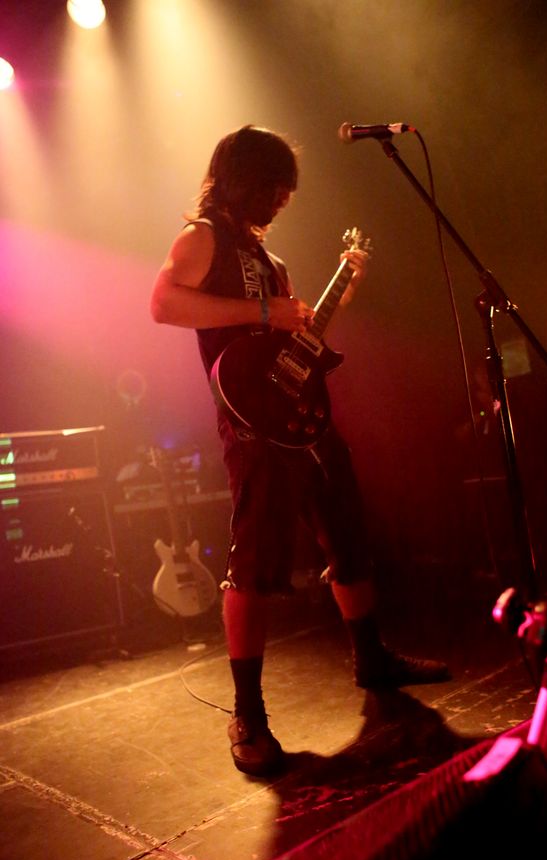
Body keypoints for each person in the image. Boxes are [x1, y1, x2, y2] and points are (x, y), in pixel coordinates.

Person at [151, 125, 449, 777]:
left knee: (348, 534)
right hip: (252, 424)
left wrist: (333, 298)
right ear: (246, 179)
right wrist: (265, 313)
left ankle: (371, 659)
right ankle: (248, 715)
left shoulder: (271, 259)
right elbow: (164, 303)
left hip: (303, 416)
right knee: (255, 563)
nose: (285, 197)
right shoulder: (202, 237)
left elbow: (288, 334)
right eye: (277, 185)